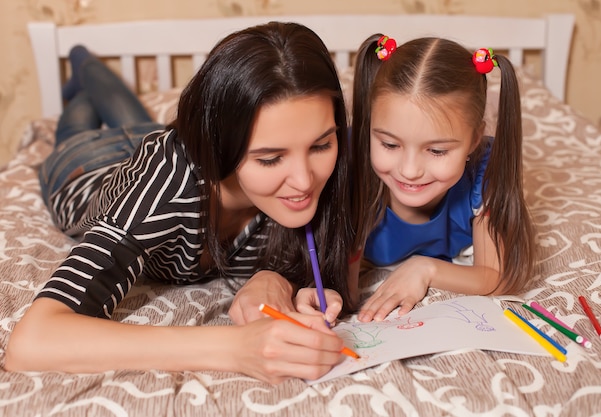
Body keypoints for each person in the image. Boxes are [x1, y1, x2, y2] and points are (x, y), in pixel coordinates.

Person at [6, 21, 354, 384]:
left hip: (154, 139)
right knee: (76, 124)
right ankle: (83, 67)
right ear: (218, 143)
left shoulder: (329, 173)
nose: (304, 181)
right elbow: (32, 341)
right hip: (87, 164)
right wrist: (235, 348)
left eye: (320, 145)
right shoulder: (165, 186)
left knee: (137, 120)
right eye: (269, 159)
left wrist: (271, 280)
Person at [349, 35, 535, 322]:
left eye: (436, 150)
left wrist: (425, 269)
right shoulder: (348, 163)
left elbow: (494, 276)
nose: (409, 170)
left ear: (474, 139)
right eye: (389, 145)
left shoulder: (487, 169)